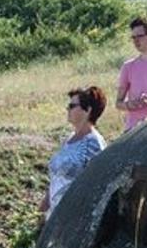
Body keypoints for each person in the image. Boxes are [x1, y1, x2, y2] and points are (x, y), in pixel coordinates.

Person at [41, 86, 108, 219]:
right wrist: (45, 204)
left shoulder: (93, 144)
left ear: (88, 110)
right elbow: (57, 176)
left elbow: (96, 184)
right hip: (55, 216)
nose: (68, 109)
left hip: (75, 218)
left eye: (72, 106)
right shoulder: (69, 139)